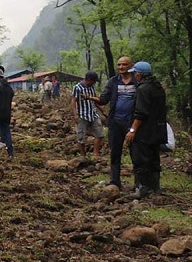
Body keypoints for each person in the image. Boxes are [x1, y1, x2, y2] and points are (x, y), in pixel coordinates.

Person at [125, 61, 167, 198]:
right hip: (157, 130)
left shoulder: (143, 89)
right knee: (154, 159)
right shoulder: (158, 87)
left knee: (140, 159)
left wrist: (132, 130)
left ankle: (142, 188)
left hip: (144, 131)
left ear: (140, 74)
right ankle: (155, 187)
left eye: (135, 73)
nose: (134, 76)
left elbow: (141, 113)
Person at [99, 56, 137, 188]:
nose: (121, 67)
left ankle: (138, 183)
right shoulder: (113, 81)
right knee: (115, 152)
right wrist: (92, 98)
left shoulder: (137, 81)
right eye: (119, 65)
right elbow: (104, 99)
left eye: (124, 65)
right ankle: (115, 181)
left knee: (135, 153)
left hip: (132, 123)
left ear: (131, 65)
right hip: (115, 122)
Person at [71, 71, 104, 159]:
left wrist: (102, 111)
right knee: (81, 137)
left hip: (93, 114)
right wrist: (75, 115)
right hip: (82, 115)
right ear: (88, 80)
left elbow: (95, 100)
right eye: (93, 81)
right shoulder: (77, 88)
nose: (94, 83)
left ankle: (95, 154)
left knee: (99, 134)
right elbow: (73, 102)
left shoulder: (91, 87)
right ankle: (83, 156)